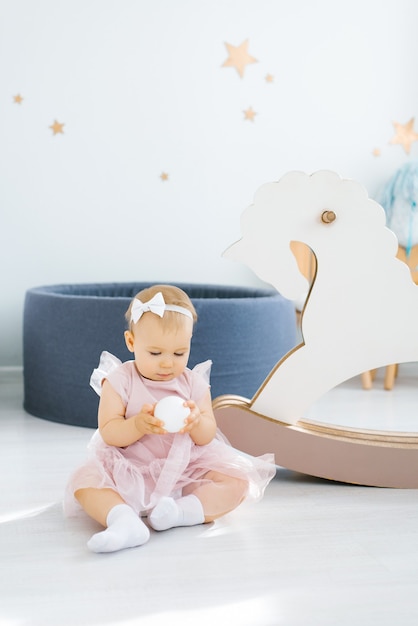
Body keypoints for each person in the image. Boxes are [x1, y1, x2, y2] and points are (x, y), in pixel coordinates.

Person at [64, 284, 276, 553]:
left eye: (179, 353)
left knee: (237, 482)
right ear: (131, 342)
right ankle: (124, 520)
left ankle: (179, 513)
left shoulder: (193, 383)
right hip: (130, 467)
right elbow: (109, 432)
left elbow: (207, 435)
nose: (168, 363)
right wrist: (137, 425)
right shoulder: (119, 380)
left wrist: (197, 422)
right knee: (85, 481)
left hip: (184, 470)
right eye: (155, 353)